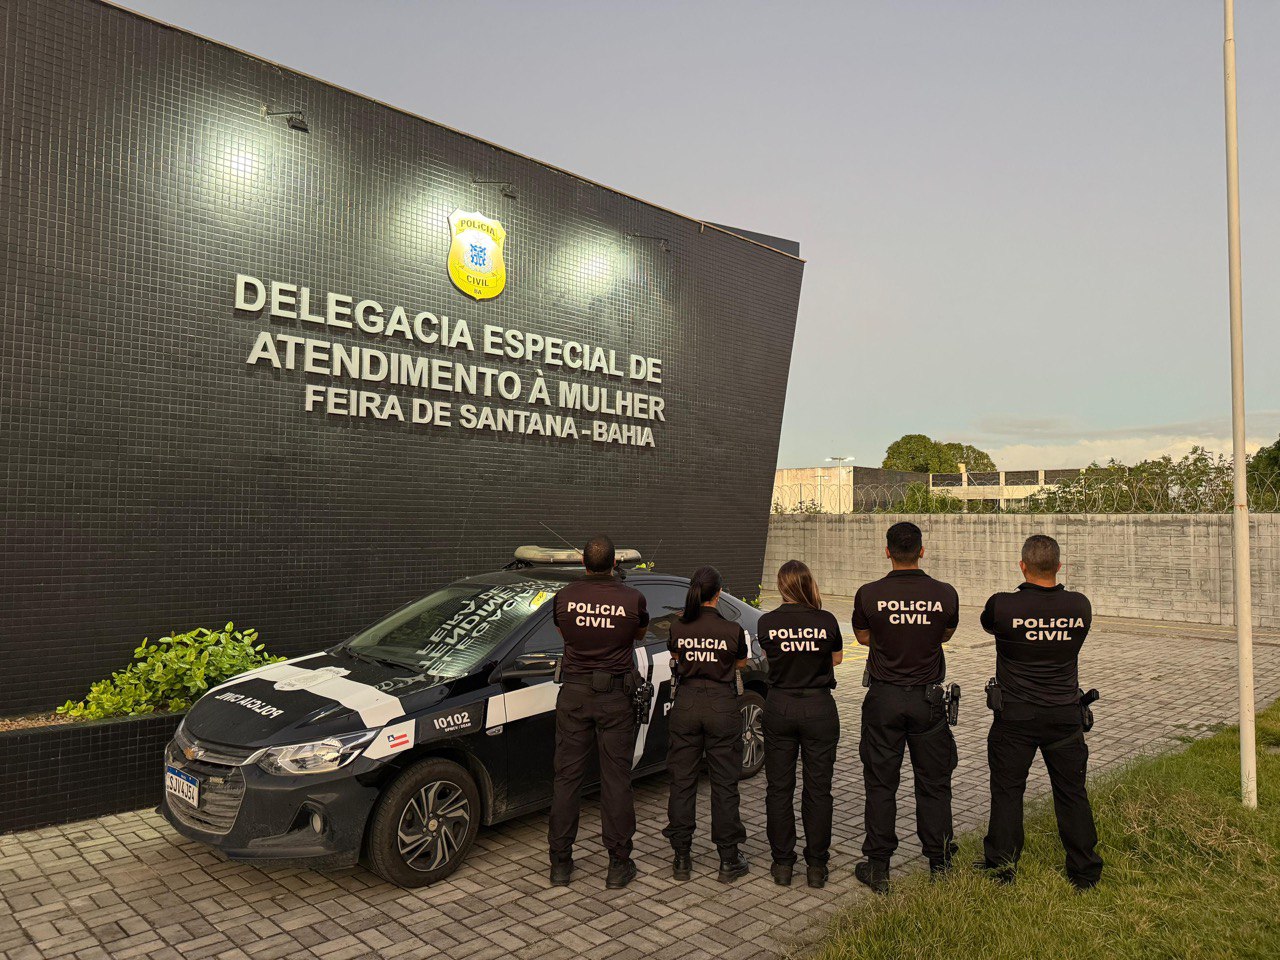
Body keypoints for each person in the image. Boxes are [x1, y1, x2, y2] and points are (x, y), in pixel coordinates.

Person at [977, 534, 1103, 890]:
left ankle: (1001, 867)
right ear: (1059, 566)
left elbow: (989, 625)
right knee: (1071, 793)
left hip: (1015, 717)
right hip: (1064, 715)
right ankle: (1085, 872)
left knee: (1007, 791)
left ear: (1022, 566)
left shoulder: (1002, 606)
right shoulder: (1080, 606)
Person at [850, 521, 960, 894]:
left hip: (883, 699)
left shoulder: (869, 594)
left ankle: (879, 868)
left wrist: (889, 637)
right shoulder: (945, 594)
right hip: (927, 701)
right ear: (921, 551)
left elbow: (863, 637)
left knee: (881, 784)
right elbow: (945, 634)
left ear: (887, 551)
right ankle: (940, 863)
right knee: (934, 784)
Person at [547, 534, 649, 889]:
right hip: (615, 698)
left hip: (574, 694)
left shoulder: (565, 597)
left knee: (567, 779)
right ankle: (618, 865)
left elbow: (563, 633)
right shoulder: (632, 598)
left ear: (584, 564)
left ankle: (560, 864)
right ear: (613, 563)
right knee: (616, 781)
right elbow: (639, 634)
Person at [756, 560, 843, 888]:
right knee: (818, 790)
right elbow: (836, 658)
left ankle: (782, 864)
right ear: (807, 583)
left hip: (780, 706)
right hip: (819, 707)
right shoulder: (827, 620)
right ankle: (817, 867)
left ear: (782, 586)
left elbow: (770, 656)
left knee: (779, 789)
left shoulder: (766, 623)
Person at [662, 566, 750, 883]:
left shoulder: (677, 627)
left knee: (682, 782)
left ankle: (681, 858)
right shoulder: (733, 630)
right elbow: (740, 662)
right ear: (718, 593)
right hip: (721, 705)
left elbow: (676, 656)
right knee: (724, 784)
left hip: (685, 704)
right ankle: (728, 859)